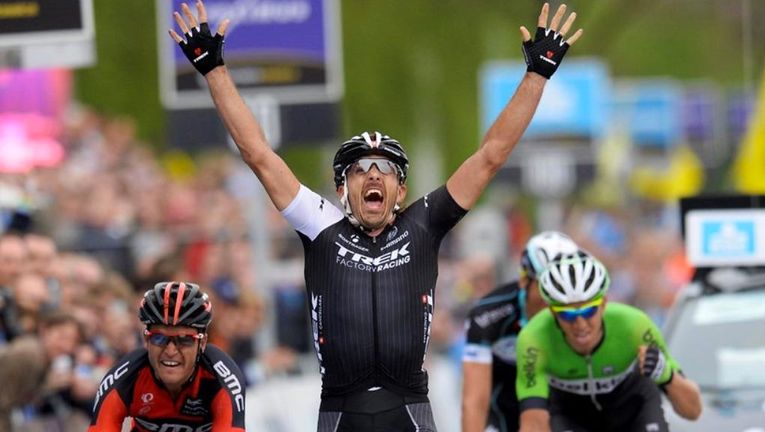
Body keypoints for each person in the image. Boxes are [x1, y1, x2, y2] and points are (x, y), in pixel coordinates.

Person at [169, 1, 582, 429]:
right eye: (359, 170)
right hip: (340, 411)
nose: (373, 176)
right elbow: (258, 154)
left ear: (400, 189)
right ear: (341, 189)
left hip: (409, 409)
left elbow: (490, 156)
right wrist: (214, 70)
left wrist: (538, 75)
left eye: (385, 169)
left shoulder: (423, 224)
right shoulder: (320, 224)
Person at [516, 251, 702, 432]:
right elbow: (533, 423)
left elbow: (693, 411)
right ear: (552, 311)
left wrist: (667, 375)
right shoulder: (534, 338)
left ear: (604, 303)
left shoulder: (634, 325)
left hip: (632, 410)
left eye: (588, 311)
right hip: (571, 415)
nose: (580, 324)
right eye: (567, 314)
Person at [88, 282, 246, 432]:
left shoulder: (220, 377)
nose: (171, 350)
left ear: (202, 343)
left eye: (184, 339)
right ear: (146, 340)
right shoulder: (128, 375)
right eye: (159, 338)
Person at [462, 231, 578, 432]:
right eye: (547, 287)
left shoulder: (580, 315)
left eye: (564, 288)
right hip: (502, 418)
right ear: (525, 280)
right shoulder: (488, 315)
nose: (556, 298)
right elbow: (474, 402)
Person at [0, 311, 83, 431]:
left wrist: (49, 386)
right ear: (44, 330)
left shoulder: (45, 359)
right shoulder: (28, 354)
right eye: (61, 337)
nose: (66, 346)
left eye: (72, 341)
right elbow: (4, 402)